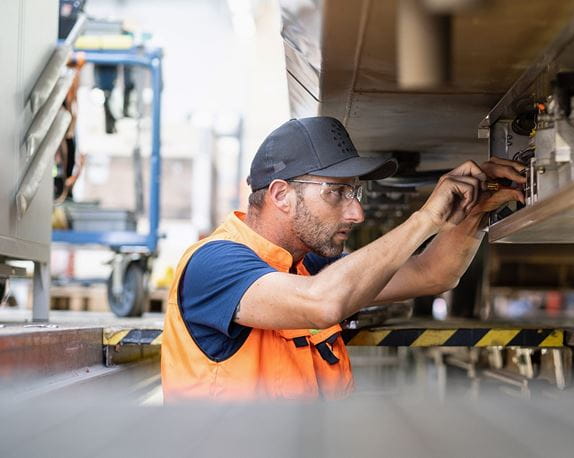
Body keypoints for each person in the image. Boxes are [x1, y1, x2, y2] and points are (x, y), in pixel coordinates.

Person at [161, 117, 525, 401]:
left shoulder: (308, 267)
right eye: (336, 192)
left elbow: (432, 274)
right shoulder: (213, 264)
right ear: (281, 194)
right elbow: (322, 303)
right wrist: (425, 219)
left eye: (355, 192)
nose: (357, 213)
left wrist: (475, 210)